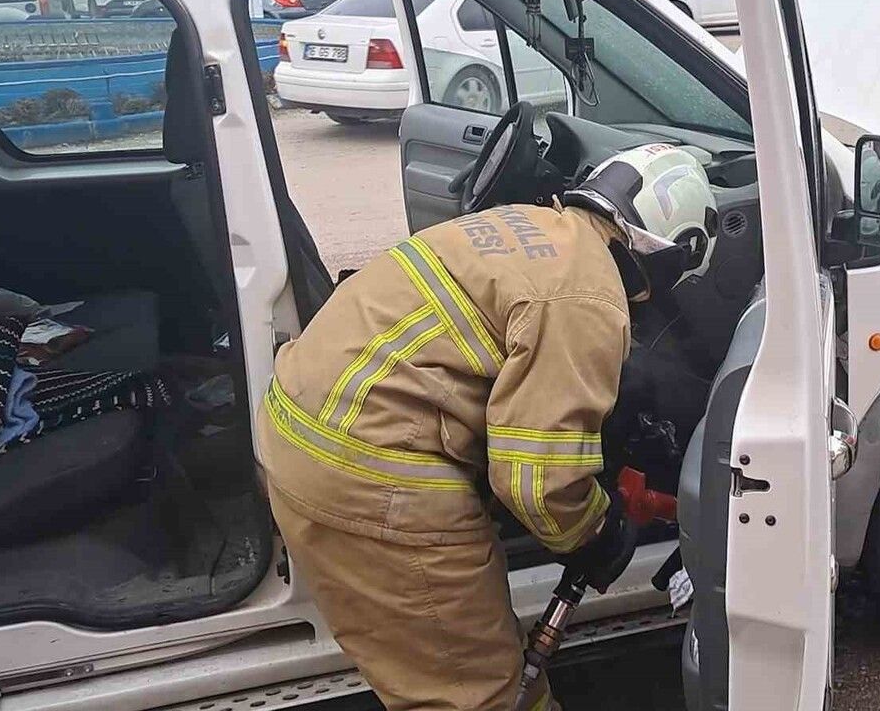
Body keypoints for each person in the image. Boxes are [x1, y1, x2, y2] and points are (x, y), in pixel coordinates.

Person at [258, 143, 717, 711]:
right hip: (376, 478)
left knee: (421, 671)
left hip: (302, 432)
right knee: (478, 695)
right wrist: (598, 532)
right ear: (676, 249)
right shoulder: (587, 295)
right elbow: (536, 483)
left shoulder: (520, 225)